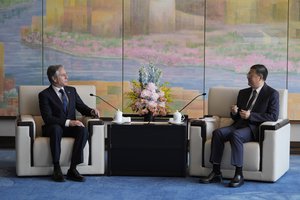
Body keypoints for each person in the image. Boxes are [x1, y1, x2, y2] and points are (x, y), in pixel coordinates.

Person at [199, 64, 279, 187]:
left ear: (260, 77)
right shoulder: (243, 93)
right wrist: (234, 112)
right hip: (238, 125)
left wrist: (251, 116)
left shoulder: (272, 93)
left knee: (235, 135)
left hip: (253, 129)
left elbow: (273, 116)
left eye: (250, 74)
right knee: (218, 133)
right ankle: (216, 172)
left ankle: (239, 174)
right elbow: (236, 117)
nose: (247, 76)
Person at [39, 64, 100, 182]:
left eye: (66, 74)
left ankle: (73, 169)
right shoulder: (44, 95)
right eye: (63, 75)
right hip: (53, 128)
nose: (67, 76)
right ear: (54, 78)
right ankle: (56, 168)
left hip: (68, 128)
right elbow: (47, 118)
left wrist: (91, 111)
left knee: (83, 130)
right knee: (56, 129)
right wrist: (68, 122)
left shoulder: (71, 90)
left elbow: (81, 107)